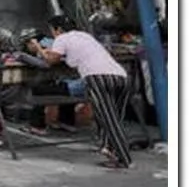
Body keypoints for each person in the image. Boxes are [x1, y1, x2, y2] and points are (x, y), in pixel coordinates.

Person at [38, 14, 132, 169]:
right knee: (115, 117)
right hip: (121, 76)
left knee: (109, 120)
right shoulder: (85, 36)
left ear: (58, 29)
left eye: (52, 30)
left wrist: (39, 49)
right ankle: (109, 149)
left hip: (97, 77)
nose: (53, 34)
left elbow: (50, 61)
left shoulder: (62, 38)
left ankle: (124, 158)